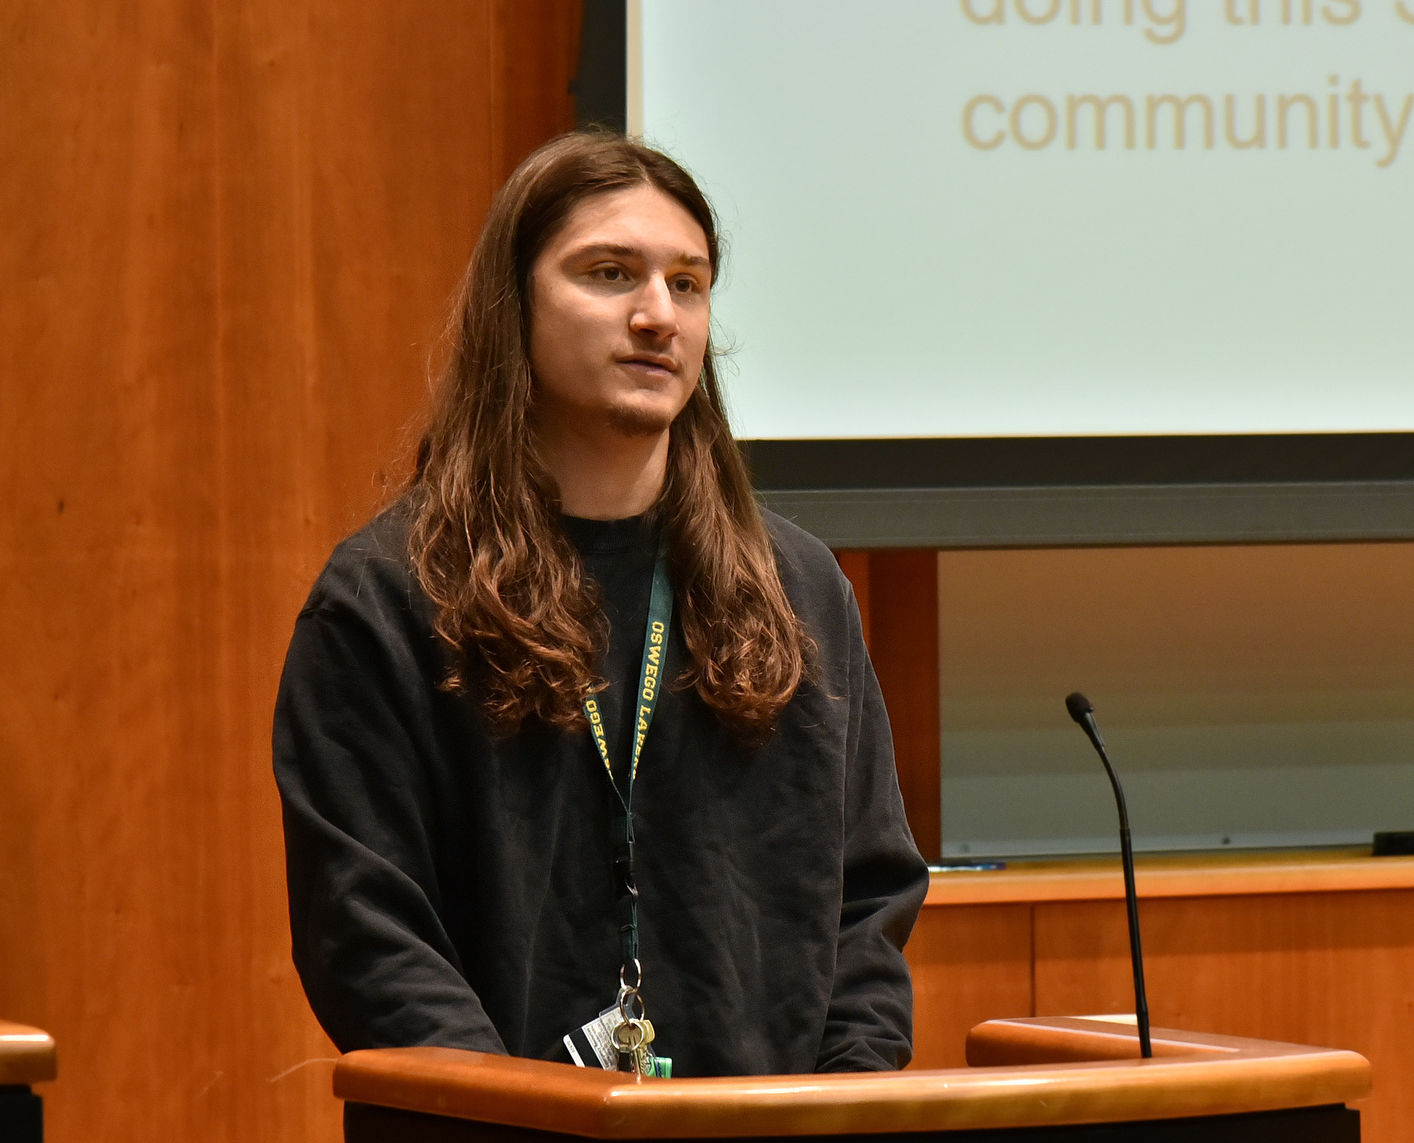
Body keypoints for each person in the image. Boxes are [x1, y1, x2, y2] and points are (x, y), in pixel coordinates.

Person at [272, 132, 928, 1077]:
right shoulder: (387, 598)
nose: (658, 315)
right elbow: (364, 929)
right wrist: (523, 1121)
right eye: (610, 273)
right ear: (517, 309)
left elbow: (868, 902)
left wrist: (841, 1105)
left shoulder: (798, 590)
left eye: (688, 284)